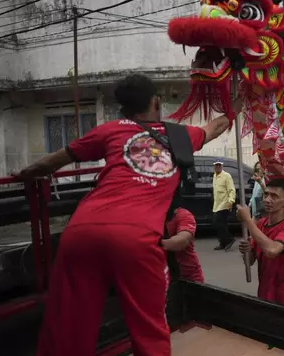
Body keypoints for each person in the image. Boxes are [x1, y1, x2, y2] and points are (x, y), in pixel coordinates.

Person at [14, 74, 240, 356]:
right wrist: (240, 101)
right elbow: (218, 125)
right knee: (149, 330)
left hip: (81, 231)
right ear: (156, 102)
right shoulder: (181, 136)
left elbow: (56, 159)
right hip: (136, 238)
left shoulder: (109, 130)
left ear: (122, 108)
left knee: (68, 328)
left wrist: (24, 175)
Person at [237, 178, 284, 307]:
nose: (267, 200)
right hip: (264, 292)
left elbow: (272, 250)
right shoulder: (261, 224)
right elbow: (249, 261)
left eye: (274, 196)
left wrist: (248, 221)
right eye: (266, 194)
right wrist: (246, 250)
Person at [164, 206, 204, 283]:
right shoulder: (149, 217)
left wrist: (156, 244)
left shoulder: (183, 215)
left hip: (188, 277)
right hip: (161, 277)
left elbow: (183, 240)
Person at [212, 159, 236, 251]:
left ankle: (229, 239)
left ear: (222, 166)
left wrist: (231, 201)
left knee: (220, 223)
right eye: (216, 165)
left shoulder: (226, 176)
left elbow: (231, 190)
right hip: (217, 204)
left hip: (224, 204)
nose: (218, 167)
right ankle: (222, 243)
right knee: (217, 224)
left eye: (219, 165)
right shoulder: (215, 176)